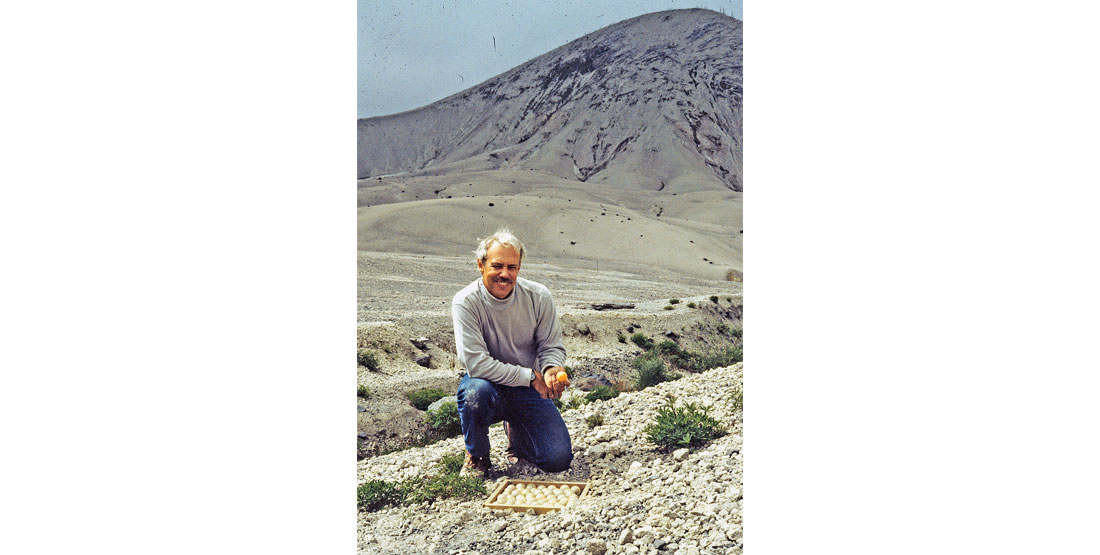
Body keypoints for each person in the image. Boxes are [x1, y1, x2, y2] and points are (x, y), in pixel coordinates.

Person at [452, 229, 573, 478]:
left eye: (512, 267)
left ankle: (517, 433)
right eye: (497, 266)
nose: (504, 274)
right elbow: (477, 364)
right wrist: (531, 377)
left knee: (557, 460)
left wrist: (551, 369)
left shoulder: (539, 297)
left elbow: (550, 346)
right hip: (488, 385)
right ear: (480, 265)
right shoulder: (466, 302)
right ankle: (478, 456)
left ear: (519, 267)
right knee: (474, 392)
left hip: (527, 390)